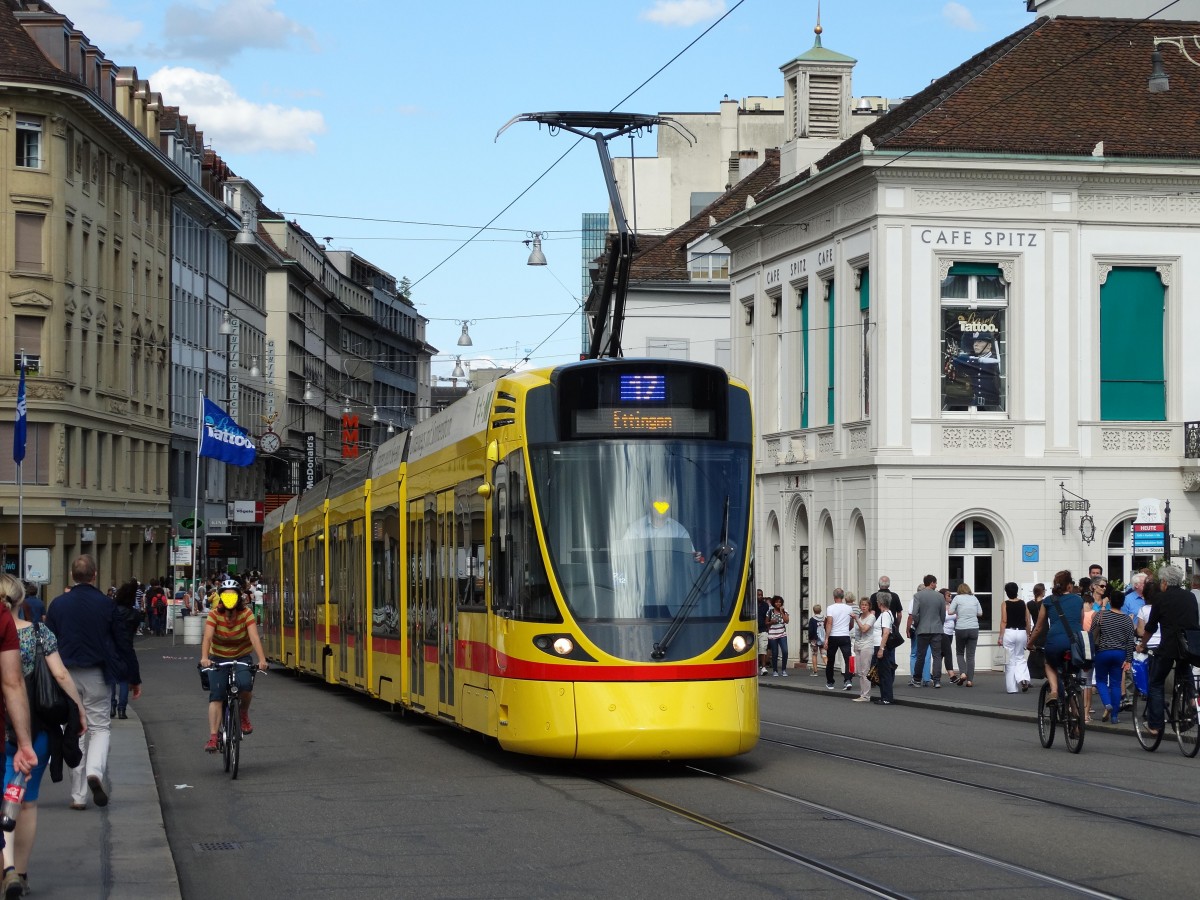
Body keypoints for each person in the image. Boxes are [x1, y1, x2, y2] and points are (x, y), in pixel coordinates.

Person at [0, 574, 86, 899]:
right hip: (34, 728)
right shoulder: (39, 633)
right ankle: (19, 873)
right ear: (22, 600)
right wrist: (78, 708)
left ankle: (6, 868)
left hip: (2, 726)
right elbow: (60, 673)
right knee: (27, 803)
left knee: (4, 801)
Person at [45, 554, 140, 810]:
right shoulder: (106, 605)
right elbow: (123, 643)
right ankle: (95, 772)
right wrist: (133, 677)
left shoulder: (57, 605)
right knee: (100, 728)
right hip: (98, 673)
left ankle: (78, 796)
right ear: (94, 575)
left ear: (71, 576)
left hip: (65, 675)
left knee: (75, 728)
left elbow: (49, 643)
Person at [199, 578, 269, 752]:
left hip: (241, 656)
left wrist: (262, 659)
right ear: (221, 598)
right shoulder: (214, 614)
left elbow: (254, 637)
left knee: (245, 684)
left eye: (233, 596)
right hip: (218, 658)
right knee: (216, 695)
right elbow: (207, 637)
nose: (229, 599)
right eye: (226, 596)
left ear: (239, 598)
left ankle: (243, 714)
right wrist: (204, 658)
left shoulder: (246, 613)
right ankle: (214, 737)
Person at [1137, 564, 1200, 738]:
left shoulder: (1160, 599)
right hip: (1188, 647)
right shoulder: (1190, 597)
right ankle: (1192, 701)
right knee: (1185, 673)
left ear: (1164, 582)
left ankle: (1156, 725)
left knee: (1156, 683)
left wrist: (1142, 644)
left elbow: (1150, 626)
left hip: (1168, 647)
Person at [1027, 570, 1082, 702]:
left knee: (1049, 663)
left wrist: (1030, 643)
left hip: (1055, 640)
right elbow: (1080, 621)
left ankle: (1054, 691)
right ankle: (1075, 707)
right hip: (1076, 640)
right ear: (1069, 585)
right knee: (1074, 670)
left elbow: (1038, 627)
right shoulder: (1078, 599)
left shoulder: (1048, 601)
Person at [1091, 592, 1134, 724]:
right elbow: (1130, 641)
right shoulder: (1127, 619)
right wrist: (1128, 659)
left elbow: (1092, 633)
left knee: (1101, 681)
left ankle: (1107, 704)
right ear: (1123, 603)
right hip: (1119, 653)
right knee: (1116, 684)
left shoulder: (1101, 615)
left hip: (1102, 653)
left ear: (1110, 601)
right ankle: (1115, 716)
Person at [623, 499, 704, 563]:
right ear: (651, 503)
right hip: (640, 579)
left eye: (665, 502)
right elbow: (623, 556)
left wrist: (696, 558)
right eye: (658, 502)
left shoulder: (679, 530)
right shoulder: (635, 529)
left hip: (674, 579)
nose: (661, 506)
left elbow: (692, 560)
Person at [109, 581, 142, 720]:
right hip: (127, 647)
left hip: (112, 647)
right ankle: (122, 709)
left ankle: (111, 706)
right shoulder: (134, 614)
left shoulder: (112, 611)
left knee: (111, 679)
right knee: (124, 679)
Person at [946, 330, 1001, 408]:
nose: (975, 344)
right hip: (975, 404)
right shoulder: (974, 361)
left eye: (980, 341)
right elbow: (956, 361)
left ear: (989, 345)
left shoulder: (993, 362)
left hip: (991, 406)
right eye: (975, 342)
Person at [909, 575, 945, 688]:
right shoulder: (940, 596)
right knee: (937, 656)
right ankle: (937, 680)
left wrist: (918, 623)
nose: (936, 585)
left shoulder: (918, 596)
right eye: (935, 583)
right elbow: (943, 614)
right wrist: (940, 623)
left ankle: (917, 679)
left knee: (920, 655)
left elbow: (914, 613)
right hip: (936, 628)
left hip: (922, 629)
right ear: (932, 583)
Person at [999, 581, 1031, 693]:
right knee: (1020, 657)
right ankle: (1023, 678)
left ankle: (1012, 688)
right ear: (1017, 591)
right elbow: (1027, 620)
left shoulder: (1005, 604)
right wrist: (1028, 634)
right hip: (1021, 632)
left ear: (1007, 592)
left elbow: (1004, 621)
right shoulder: (1023, 603)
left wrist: (1000, 636)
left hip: (1009, 632)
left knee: (1010, 660)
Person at [949, 583, 983, 687]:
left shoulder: (957, 598)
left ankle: (963, 673)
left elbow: (950, 612)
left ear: (959, 590)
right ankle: (970, 681)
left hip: (961, 628)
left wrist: (958, 611)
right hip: (973, 628)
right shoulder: (974, 598)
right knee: (971, 655)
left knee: (959, 653)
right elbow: (980, 613)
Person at [822, 589, 854, 691]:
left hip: (833, 636)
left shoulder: (830, 608)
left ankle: (830, 682)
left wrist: (826, 638)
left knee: (831, 660)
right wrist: (846, 630)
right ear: (843, 597)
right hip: (845, 636)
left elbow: (829, 623)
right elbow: (851, 623)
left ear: (834, 597)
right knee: (847, 659)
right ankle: (848, 680)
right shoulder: (849, 608)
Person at [851, 596, 876, 701]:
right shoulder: (860, 616)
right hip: (858, 645)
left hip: (867, 645)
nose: (864, 606)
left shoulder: (871, 617)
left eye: (866, 605)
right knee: (860, 672)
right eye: (862, 605)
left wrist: (856, 619)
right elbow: (855, 631)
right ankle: (862, 693)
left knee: (865, 671)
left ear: (869, 606)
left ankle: (866, 695)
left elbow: (864, 629)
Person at [872, 599, 896, 705]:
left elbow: (885, 632)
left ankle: (887, 698)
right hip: (881, 646)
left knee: (885, 673)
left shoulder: (885, 615)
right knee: (882, 672)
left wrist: (881, 649)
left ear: (881, 603)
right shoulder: (888, 613)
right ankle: (884, 697)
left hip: (882, 646)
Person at [765, 596, 789, 676]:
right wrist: (771, 622)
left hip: (782, 634)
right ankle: (775, 670)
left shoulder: (785, 611)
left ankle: (784, 670)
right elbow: (766, 623)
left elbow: (787, 621)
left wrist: (782, 612)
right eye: (776, 602)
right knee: (775, 653)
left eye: (779, 602)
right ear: (773, 603)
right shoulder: (770, 611)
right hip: (772, 635)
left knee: (785, 651)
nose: (778, 603)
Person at [939, 589, 958, 683]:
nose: (950, 596)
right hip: (943, 632)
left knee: (941, 654)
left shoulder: (952, 606)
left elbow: (955, 618)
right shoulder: (940, 607)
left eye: (951, 595)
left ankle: (936, 675)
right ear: (943, 597)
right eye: (948, 595)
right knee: (948, 653)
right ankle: (952, 675)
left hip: (951, 633)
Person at [806, 604, 824, 676]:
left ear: (813, 611)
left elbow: (811, 630)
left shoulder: (812, 619)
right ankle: (829, 669)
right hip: (822, 639)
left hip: (814, 639)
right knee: (824, 654)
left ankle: (815, 671)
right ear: (820, 610)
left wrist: (810, 639)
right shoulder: (824, 618)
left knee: (814, 654)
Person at [756, 589, 770, 676]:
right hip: (753, 630)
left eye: (761, 595)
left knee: (763, 648)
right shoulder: (751, 604)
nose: (760, 596)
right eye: (758, 595)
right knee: (754, 650)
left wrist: (767, 627)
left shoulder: (765, 605)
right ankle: (756, 667)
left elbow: (767, 617)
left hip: (763, 630)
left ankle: (763, 667)